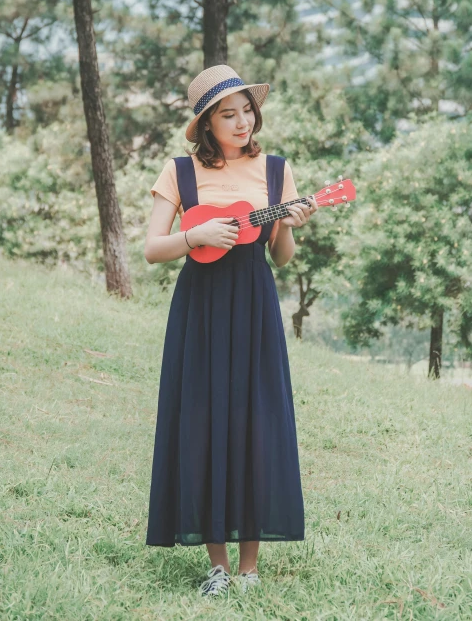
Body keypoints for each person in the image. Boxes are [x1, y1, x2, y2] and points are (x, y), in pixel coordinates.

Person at [143, 64, 318, 597]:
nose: (242, 122)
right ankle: (216, 563)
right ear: (205, 123)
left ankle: (249, 568)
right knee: (202, 418)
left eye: (247, 110)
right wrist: (195, 233)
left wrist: (286, 224)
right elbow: (153, 249)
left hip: (254, 303)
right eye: (228, 113)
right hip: (200, 305)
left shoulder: (275, 171)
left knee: (255, 419)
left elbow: (281, 258)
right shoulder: (180, 172)